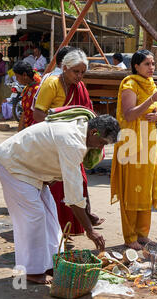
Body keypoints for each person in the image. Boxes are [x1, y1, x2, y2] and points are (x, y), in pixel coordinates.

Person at [0, 113, 120, 284]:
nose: (100, 148)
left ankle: (49, 264)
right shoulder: (72, 142)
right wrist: (90, 230)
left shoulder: (81, 130)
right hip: (12, 164)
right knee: (34, 217)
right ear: (94, 132)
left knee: (51, 216)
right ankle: (31, 270)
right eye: (102, 143)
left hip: (31, 170)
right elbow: (74, 195)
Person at [34, 49, 105, 235]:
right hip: (52, 142)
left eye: (82, 72)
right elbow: (38, 113)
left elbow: (88, 112)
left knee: (77, 181)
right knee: (57, 186)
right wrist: (56, 134)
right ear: (64, 68)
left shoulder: (80, 87)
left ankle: (73, 225)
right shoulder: (52, 84)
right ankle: (55, 229)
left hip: (73, 142)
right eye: (76, 72)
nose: (79, 76)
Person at [111, 49, 157, 250]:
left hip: (149, 142)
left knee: (146, 189)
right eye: (147, 64)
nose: (151, 68)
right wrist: (152, 100)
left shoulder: (150, 84)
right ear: (136, 66)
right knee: (132, 191)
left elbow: (154, 113)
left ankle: (143, 234)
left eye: (152, 64)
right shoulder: (130, 84)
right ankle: (130, 236)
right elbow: (129, 114)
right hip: (131, 143)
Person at [12, 61, 41, 130]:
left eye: (17, 77)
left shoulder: (37, 90)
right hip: (28, 128)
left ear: (24, 75)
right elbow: (24, 112)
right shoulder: (27, 88)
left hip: (35, 128)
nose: (16, 79)